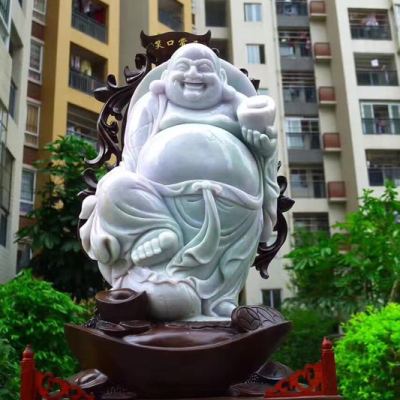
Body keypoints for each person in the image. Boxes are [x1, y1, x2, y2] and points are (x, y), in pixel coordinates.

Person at [80, 44, 280, 321]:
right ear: (166, 78)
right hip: (158, 203)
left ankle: (217, 299)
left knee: (183, 298)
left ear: (222, 79)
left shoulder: (239, 107)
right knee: (113, 186)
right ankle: (159, 232)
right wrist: (106, 200)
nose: (193, 74)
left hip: (233, 207)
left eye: (204, 68)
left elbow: (265, 166)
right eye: (184, 67)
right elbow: (131, 163)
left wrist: (264, 148)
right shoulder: (151, 104)